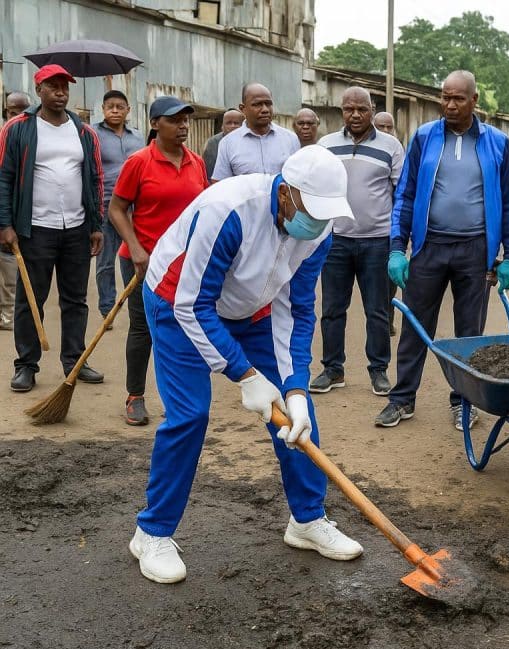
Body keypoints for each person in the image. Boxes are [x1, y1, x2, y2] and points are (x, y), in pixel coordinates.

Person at [130, 145, 360, 584]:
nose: (317, 223)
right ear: (285, 193)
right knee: (190, 414)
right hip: (177, 303)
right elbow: (193, 304)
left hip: (254, 310)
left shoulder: (319, 230)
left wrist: (295, 387)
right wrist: (245, 375)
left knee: (297, 415)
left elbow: (298, 310)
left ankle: (307, 520)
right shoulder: (229, 210)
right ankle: (152, 533)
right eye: (312, 211)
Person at [377, 70, 509, 431]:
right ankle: (402, 398)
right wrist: (398, 248)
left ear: (474, 101)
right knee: (414, 325)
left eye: (458, 98)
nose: (450, 104)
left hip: (476, 251)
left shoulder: (497, 143)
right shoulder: (425, 137)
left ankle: (464, 402)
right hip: (430, 247)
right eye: (446, 97)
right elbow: (406, 194)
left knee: (469, 333)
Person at [0, 65, 105, 392]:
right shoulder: (18, 128)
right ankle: (26, 365)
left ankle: (74, 361)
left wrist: (96, 224)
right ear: (39, 90)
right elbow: (3, 178)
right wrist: (5, 224)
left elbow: (95, 179)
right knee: (30, 299)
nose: (61, 93)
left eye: (65, 87)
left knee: (76, 299)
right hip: (35, 229)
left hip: (76, 228)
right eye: (53, 86)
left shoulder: (83, 132)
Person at [107, 96, 208, 426]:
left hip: (183, 265)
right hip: (143, 261)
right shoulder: (139, 162)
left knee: (182, 327)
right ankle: (135, 396)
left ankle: (176, 397)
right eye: (174, 120)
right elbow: (116, 209)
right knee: (143, 329)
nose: (182, 126)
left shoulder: (196, 162)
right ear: (155, 124)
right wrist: (135, 248)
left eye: (185, 120)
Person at [314, 87, 404, 396]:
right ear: (341, 111)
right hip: (336, 240)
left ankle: (378, 370)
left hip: (377, 242)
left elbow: (401, 194)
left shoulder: (391, 146)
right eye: (348, 109)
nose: (355, 115)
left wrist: (398, 241)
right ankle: (332, 369)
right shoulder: (326, 145)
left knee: (377, 311)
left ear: (372, 110)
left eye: (361, 109)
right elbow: (317, 189)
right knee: (332, 309)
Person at [94, 90, 145, 320]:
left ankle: (136, 301)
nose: (115, 111)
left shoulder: (138, 137)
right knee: (106, 260)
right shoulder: (93, 134)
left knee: (136, 253)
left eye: (120, 107)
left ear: (127, 110)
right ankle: (108, 309)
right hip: (106, 204)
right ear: (103, 109)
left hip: (135, 206)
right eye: (110, 107)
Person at [212, 83, 299, 180]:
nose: (265, 109)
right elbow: (220, 183)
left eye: (268, 104)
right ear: (243, 109)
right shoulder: (227, 143)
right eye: (257, 104)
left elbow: (299, 179)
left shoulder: (291, 139)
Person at [1, 93, 32, 331]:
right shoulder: (5, 134)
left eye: (22, 111)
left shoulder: (27, 137)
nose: (17, 116)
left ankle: (8, 314)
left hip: (12, 211)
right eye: (13, 112)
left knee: (10, 265)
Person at [373, 110, 400, 334]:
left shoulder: (398, 153)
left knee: (391, 280)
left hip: (392, 230)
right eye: (380, 126)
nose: (385, 131)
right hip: (370, 230)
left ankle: (388, 319)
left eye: (389, 127)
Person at [201, 109, 244, 182]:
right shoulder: (213, 143)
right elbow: (209, 174)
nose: (232, 126)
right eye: (229, 123)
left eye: (236, 123)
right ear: (222, 127)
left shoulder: (249, 141)